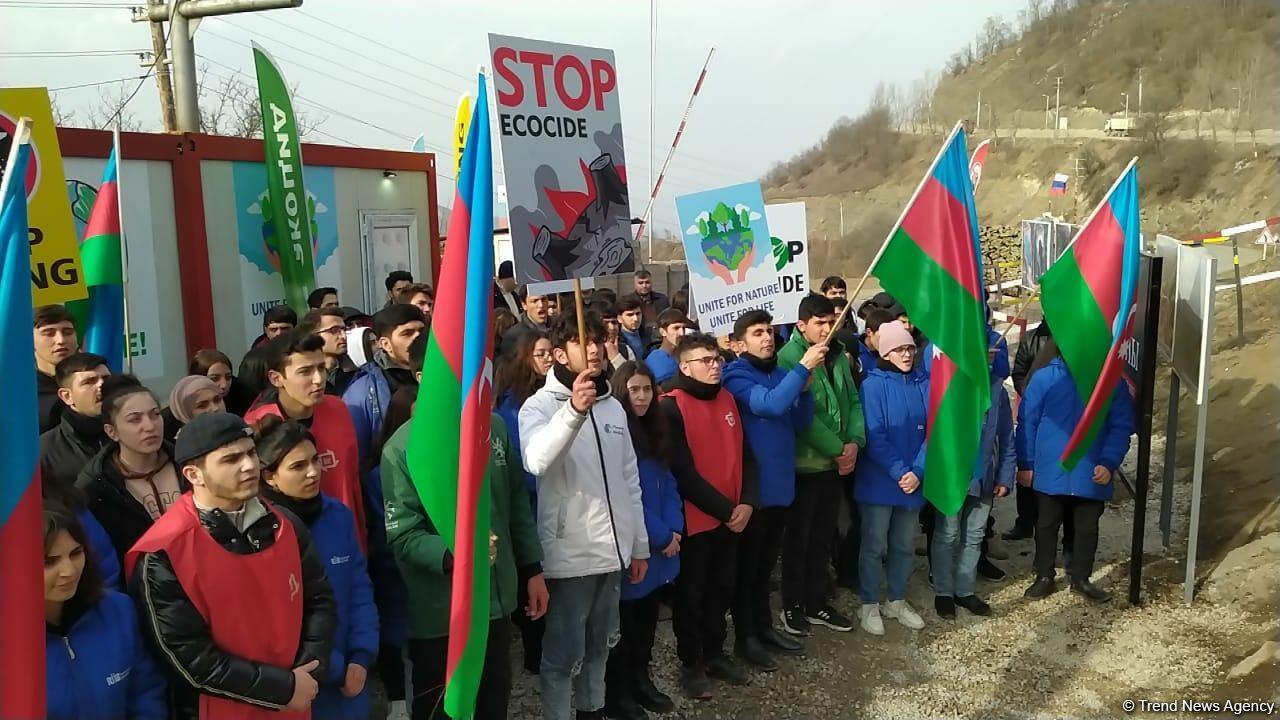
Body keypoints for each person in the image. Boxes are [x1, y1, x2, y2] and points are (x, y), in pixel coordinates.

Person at [126, 412, 337, 719]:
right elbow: (189, 657)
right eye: (231, 459)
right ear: (193, 474)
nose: (250, 465)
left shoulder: (285, 525)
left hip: (295, 699)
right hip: (223, 708)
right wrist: (284, 688)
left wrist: (308, 673)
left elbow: (319, 599)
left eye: (251, 453)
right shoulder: (163, 551)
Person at [518, 311, 648, 720]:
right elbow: (537, 461)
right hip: (570, 556)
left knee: (600, 646)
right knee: (562, 656)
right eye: (579, 341)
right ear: (558, 354)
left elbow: (630, 478)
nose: (593, 348)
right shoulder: (537, 407)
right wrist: (573, 411)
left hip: (613, 551)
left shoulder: (613, 407)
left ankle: (593, 710)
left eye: (596, 339)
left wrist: (638, 543)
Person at [382, 400, 547, 720]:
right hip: (440, 613)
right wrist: (455, 555)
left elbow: (516, 505)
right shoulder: (402, 448)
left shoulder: (494, 427)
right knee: (442, 708)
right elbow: (403, 535)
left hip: (494, 603)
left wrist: (532, 569)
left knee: (493, 699)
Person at [254, 415, 379, 720]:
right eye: (298, 466)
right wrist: (335, 667)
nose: (313, 472)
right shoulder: (262, 532)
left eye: (315, 460)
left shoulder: (337, 514)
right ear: (270, 476)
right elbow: (277, 618)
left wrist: (361, 656)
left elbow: (359, 588)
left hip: (351, 677)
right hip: (300, 682)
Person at [660, 333, 759, 698]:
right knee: (692, 594)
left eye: (717, 359)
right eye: (706, 360)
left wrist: (748, 501)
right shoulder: (671, 405)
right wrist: (726, 509)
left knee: (723, 588)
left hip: (733, 517)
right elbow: (682, 472)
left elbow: (746, 454)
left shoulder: (728, 398)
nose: (715, 365)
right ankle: (691, 662)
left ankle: (716, 653)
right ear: (685, 366)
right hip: (698, 519)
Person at [722, 310, 819, 669]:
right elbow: (771, 404)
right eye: (758, 333)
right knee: (746, 570)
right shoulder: (736, 375)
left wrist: (805, 392)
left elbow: (799, 421)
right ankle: (746, 637)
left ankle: (763, 627)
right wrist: (802, 369)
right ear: (739, 342)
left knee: (764, 569)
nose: (767, 338)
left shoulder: (780, 373)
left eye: (769, 332)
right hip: (752, 492)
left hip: (780, 487)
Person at [776, 295, 864, 635]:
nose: (827, 329)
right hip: (806, 465)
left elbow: (853, 400)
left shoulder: (838, 353)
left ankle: (816, 602)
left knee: (822, 537)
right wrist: (839, 448)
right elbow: (802, 417)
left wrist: (855, 442)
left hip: (834, 464)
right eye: (820, 324)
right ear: (801, 325)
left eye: (832, 322)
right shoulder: (789, 358)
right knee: (798, 539)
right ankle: (792, 605)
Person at [1018, 351, 1134, 604]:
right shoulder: (1045, 378)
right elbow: (1028, 421)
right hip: (1051, 469)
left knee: (1086, 527)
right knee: (1046, 525)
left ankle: (1081, 578)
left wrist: (1109, 461)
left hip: (1091, 470)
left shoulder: (1110, 382)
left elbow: (1121, 425)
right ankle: (1044, 575)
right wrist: (1025, 463)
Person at [605, 362, 682, 720]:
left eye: (647, 389)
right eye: (634, 389)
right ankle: (618, 692)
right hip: (637, 542)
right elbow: (626, 495)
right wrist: (662, 533)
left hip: (662, 543)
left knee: (648, 621)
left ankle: (642, 679)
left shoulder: (657, 428)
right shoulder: (617, 433)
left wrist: (676, 526)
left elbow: (667, 483)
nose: (641, 396)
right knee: (626, 626)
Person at [246, 331, 367, 552]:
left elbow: (352, 483)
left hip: (347, 544)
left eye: (321, 368)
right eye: (305, 371)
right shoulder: (256, 427)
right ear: (276, 378)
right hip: (293, 550)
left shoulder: (339, 409)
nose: (318, 379)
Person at [43, 506, 167, 720]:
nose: (69, 571)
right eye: (49, 561)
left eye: (76, 553)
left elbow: (146, 694)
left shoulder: (119, 611)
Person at [364, 335, 427, 720]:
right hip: (398, 580)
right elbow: (387, 534)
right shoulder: (380, 473)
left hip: (432, 581)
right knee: (400, 649)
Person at [854, 320, 928, 635]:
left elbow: (934, 430)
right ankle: (869, 602)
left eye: (909, 347)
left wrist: (919, 470)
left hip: (913, 481)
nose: (906, 354)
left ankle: (896, 599)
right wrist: (902, 471)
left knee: (903, 545)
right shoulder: (872, 384)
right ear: (885, 351)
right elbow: (874, 434)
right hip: (881, 480)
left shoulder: (924, 383)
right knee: (874, 545)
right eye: (898, 348)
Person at [931, 373, 1015, 620]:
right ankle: (944, 592)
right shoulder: (948, 382)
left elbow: (1007, 436)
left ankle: (964, 590)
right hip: (953, 478)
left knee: (974, 536)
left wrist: (1005, 475)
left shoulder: (997, 390)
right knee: (947, 534)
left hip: (984, 478)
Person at [494, 329, 553, 674]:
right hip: (532, 505)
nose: (548, 358)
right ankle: (535, 653)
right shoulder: (512, 408)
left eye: (550, 352)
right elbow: (522, 467)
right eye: (540, 353)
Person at [79, 377, 185, 569]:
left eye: (155, 415)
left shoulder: (188, 463)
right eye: (135, 419)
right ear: (112, 432)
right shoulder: (97, 487)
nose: (150, 426)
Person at [342, 304, 426, 466]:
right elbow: (359, 459)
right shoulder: (362, 392)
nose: (417, 338)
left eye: (421, 332)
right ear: (385, 344)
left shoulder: (443, 375)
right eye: (407, 333)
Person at [1005, 320, 1053, 542]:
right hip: (1032, 410)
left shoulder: (1073, 336)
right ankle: (1024, 523)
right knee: (1026, 465)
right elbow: (1019, 372)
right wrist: (1030, 393)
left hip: (1059, 413)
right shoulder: (1031, 339)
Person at [40, 352, 114, 490]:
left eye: (106, 378)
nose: (102, 385)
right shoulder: (44, 452)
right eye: (89, 381)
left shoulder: (133, 435)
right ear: (67, 396)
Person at [35, 304, 79, 432]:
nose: (60, 340)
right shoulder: (16, 390)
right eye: (49, 333)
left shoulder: (99, 377)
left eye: (68, 332)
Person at [298, 307, 360, 397]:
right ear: (313, 335)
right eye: (334, 331)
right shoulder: (302, 376)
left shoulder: (357, 371)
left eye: (344, 330)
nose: (343, 336)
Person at [189, 348, 256, 417]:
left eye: (228, 377)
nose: (224, 385)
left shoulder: (245, 396)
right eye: (215, 378)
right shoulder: (185, 402)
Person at [162, 375, 227, 444]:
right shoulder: (185, 448)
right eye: (202, 406)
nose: (215, 408)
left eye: (217, 400)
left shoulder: (237, 429)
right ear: (185, 413)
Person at [500, 287, 551, 358]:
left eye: (543, 299)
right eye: (535, 301)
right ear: (524, 305)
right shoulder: (514, 336)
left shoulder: (558, 326)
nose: (541, 305)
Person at [644, 309, 690, 386]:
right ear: (663, 332)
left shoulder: (686, 354)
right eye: (676, 328)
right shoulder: (656, 361)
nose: (682, 333)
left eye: (683, 328)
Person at [595, 301, 634, 370]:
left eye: (614, 322)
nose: (612, 328)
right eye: (605, 323)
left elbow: (633, 378)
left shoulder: (626, 349)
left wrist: (616, 358)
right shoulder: (590, 352)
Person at [617, 295, 653, 360]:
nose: (636, 319)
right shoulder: (617, 341)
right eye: (630, 315)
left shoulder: (650, 335)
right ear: (619, 318)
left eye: (638, 314)